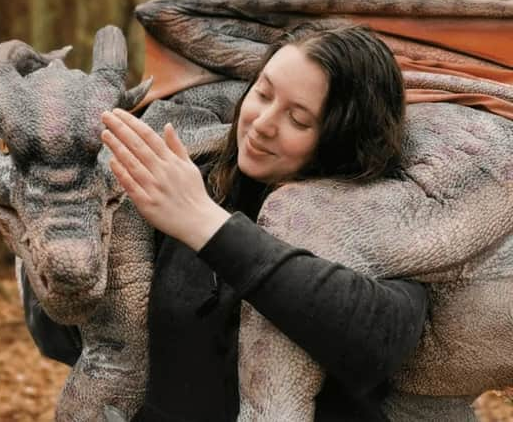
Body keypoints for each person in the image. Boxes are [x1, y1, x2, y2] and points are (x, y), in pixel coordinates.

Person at [22, 23, 428, 422]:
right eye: (263, 92)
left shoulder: (387, 216)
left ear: (344, 139)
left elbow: (380, 342)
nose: (263, 122)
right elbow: (73, 341)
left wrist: (206, 226)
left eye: (299, 119)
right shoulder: (184, 177)